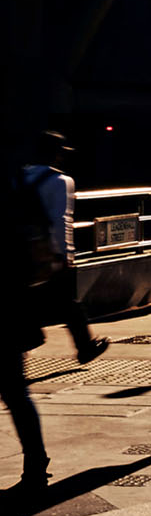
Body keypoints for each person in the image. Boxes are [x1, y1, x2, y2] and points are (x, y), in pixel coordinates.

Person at [22, 131, 108, 363]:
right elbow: (61, 220)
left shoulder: (18, 177)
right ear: (57, 155)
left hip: (19, 251)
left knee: (24, 299)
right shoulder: (61, 181)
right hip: (47, 252)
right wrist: (65, 253)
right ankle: (84, 346)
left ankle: (27, 340)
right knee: (69, 303)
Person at [4, 166, 55, 498]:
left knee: (15, 392)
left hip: (9, 305)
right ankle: (35, 464)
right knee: (15, 392)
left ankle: (36, 463)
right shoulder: (19, 186)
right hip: (12, 305)